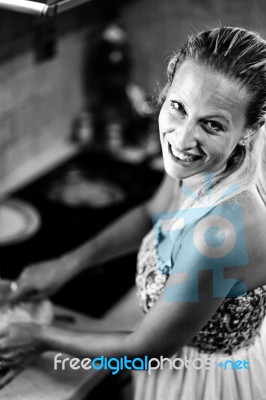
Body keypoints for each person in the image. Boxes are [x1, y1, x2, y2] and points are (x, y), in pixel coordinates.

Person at [1, 26, 266, 399]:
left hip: (206, 384)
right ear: (165, 92)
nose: (182, 139)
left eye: (212, 124)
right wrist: (68, 263)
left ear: (248, 132)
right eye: (178, 107)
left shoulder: (223, 230)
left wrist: (40, 337)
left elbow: (146, 350)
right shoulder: (199, 170)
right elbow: (152, 214)